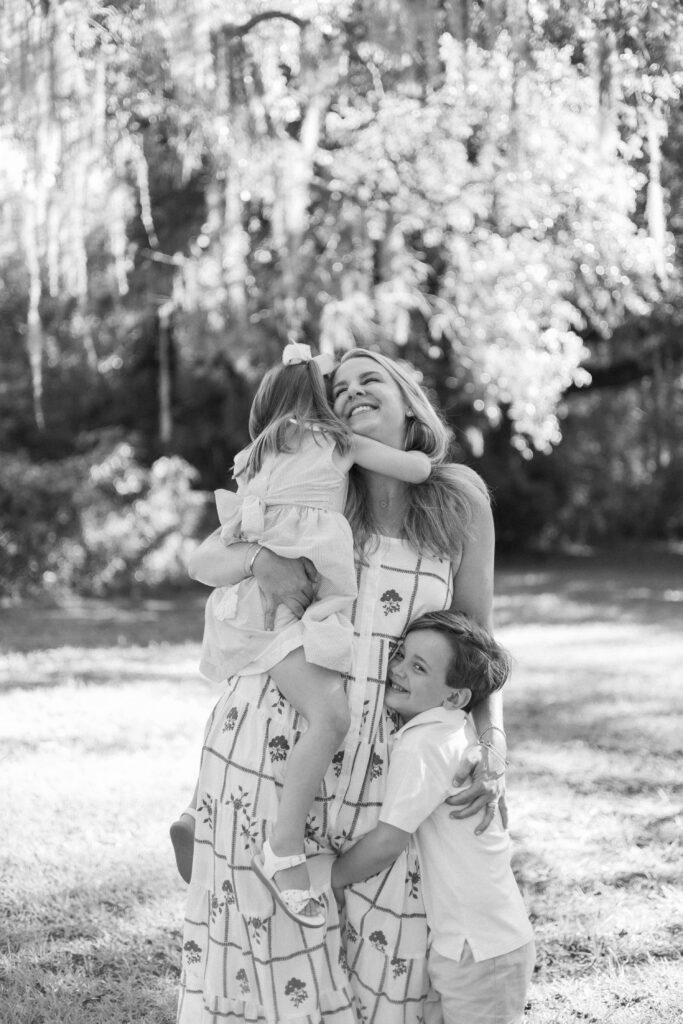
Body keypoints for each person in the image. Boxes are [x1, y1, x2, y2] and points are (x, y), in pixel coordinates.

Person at [176, 348, 507, 1024]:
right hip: (282, 738)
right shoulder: (318, 481)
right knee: (277, 958)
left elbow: (477, 639)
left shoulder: (458, 497)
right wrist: (261, 560)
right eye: (339, 388)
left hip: (393, 758)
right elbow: (207, 556)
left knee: (391, 954)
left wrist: (491, 744)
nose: (352, 392)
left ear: (409, 404)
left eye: (369, 379)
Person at [172, 340, 431, 926]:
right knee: (331, 717)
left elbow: (207, 556)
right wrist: (427, 457)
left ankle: (195, 812)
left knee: (250, 699)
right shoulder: (337, 444)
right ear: (324, 404)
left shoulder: (256, 458)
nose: (349, 397)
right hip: (283, 614)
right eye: (337, 389)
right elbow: (416, 468)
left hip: (243, 611)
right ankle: (284, 846)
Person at [331, 610, 534, 1024]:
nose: (398, 670)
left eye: (418, 667)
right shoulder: (452, 731)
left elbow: (388, 841)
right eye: (401, 655)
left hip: (481, 947)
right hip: (468, 941)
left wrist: (329, 877)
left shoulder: (426, 743)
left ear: (455, 697)